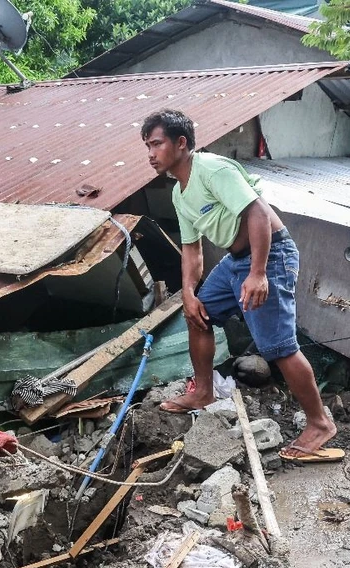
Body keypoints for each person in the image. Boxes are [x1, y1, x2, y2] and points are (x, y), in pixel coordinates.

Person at [141, 109, 337, 458]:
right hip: (235, 261)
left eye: (156, 144)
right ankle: (204, 391)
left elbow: (258, 213)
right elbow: (191, 250)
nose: (151, 154)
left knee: (277, 346)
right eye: (148, 146)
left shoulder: (212, 169)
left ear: (181, 143)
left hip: (271, 254)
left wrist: (258, 273)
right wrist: (187, 293)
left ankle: (320, 422)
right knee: (197, 314)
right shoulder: (179, 194)